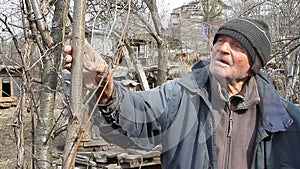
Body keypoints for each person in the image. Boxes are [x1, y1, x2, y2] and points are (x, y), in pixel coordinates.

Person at [64, 18, 300, 169]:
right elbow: (136, 114)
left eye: (237, 46)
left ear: (254, 65)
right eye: (221, 41)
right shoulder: (179, 96)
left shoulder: (288, 122)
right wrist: (104, 87)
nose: (223, 49)